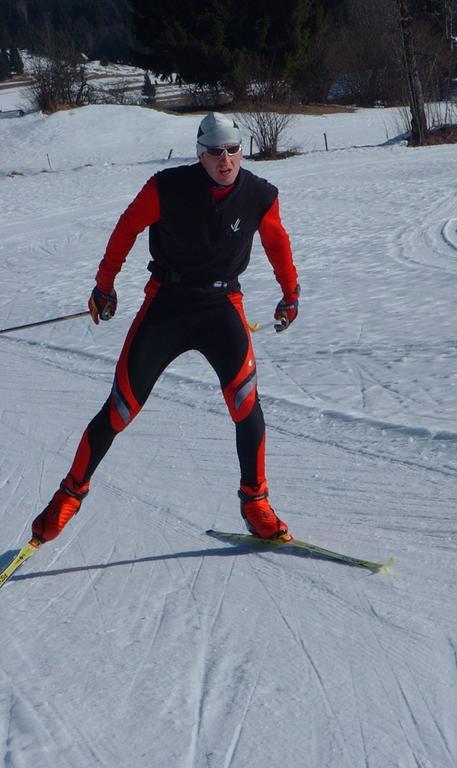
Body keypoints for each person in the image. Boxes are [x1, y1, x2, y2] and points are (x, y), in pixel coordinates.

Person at [31, 112, 299, 544]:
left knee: (246, 403)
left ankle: (256, 502)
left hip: (221, 305)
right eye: (215, 152)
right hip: (167, 305)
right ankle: (69, 494)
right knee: (120, 408)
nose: (225, 160)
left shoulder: (260, 196)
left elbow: (276, 242)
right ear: (200, 154)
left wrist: (291, 294)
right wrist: (104, 286)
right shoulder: (166, 187)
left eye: (232, 150)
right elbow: (127, 228)